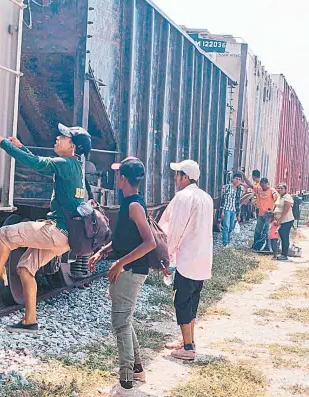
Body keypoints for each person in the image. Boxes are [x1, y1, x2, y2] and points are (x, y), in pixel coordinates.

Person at [0, 123, 92, 333]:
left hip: (56, 232)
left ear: (73, 147)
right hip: (66, 239)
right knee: (25, 269)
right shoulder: (75, 166)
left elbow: (35, 163)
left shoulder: (65, 164)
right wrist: (21, 146)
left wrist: (3, 143)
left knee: (5, 234)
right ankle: (30, 320)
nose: (58, 138)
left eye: (64, 137)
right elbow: (40, 162)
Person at [88, 157, 156, 396]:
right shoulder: (129, 203)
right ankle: (136, 370)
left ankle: (126, 382)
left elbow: (150, 243)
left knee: (120, 323)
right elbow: (123, 240)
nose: (116, 178)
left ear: (123, 179)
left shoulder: (134, 206)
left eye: (118, 175)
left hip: (132, 271)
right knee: (124, 320)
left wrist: (119, 263)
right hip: (128, 269)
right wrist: (102, 253)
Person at [158, 160, 213, 361]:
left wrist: (166, 257)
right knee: (192, 302)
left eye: (178, 174)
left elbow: (175, 231)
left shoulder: (183, 197)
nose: (175, 178)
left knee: (181, 302)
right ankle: (187, 340)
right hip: (202, 259)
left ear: (186, 177)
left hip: (187, 259)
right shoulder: (206, 197)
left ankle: (188, 348)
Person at [240, 172, 278, 250]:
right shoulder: (259, 190)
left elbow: (277, 201)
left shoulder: (272, 191)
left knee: (267, 231)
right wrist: (243, 175)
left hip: (269, 215)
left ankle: (267, 246)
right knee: (258, 230)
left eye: (264, 185)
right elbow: (250, 185)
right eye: (262, 185)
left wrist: (274, 213)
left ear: (268, 184)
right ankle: (256, 245)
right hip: (261, 214)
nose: (263, 187)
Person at [272, 183, 295, 261]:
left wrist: (280, 220)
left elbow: (286, 210)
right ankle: (282, 253)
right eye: (278, 188)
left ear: (285, 190)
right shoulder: (279, 197)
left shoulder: (287, 197)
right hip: (280, 221)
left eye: (281, 188)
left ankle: (284, 254)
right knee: (281, 236)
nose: (279, 190)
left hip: (286, 220)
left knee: (284, 237)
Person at [220, 172, 243, 246]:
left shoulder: (239, 189)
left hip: (234, 210)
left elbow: (238, 202)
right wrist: (222, 211)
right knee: (226, 226)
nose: (238, 180)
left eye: (239, 179)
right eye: (236, 179)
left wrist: (238, 214)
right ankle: (225, 243)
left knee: (231, 227)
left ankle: (228, 241)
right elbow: (222, 198)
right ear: (233, 179)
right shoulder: (228, 187)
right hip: (227, 208)